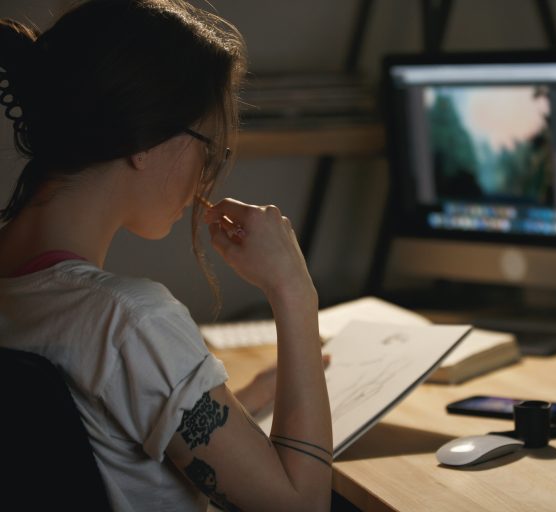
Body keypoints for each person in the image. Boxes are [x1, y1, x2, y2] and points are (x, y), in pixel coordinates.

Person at [0, 1, 332, 511]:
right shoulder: (131, 322)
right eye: (210, 148)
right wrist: (293, 290)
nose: (208, 174)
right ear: (148, 137)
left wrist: (231, 398)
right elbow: (302, 506)